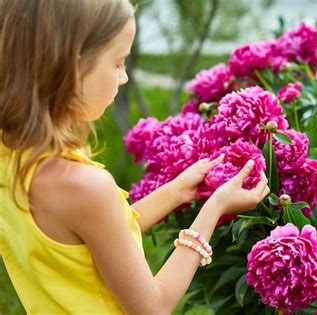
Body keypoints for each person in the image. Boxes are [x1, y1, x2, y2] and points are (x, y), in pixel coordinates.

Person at [0, 0, 269, 314]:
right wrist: (214, 208)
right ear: (72, 67)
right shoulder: (85, 185)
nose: (124, 77)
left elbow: (98, 235)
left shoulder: (16, 155)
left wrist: (177, 190)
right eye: (118, 62)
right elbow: (153, 307)